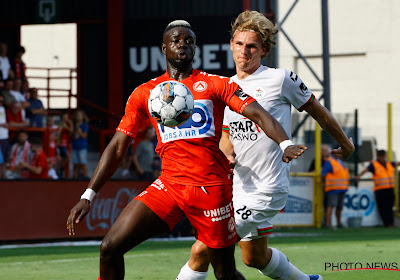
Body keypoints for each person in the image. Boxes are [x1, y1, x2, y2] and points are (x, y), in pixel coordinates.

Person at [66, 20, 306, 280]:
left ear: (195, 49)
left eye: (189, 41)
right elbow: (117, 147)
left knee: (224, 271)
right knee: (110, 247)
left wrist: (285, 143)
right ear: (164, 48)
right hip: (169, 186)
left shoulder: (216, 85)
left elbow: (259, 113)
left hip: (212, 190)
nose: (183, 44)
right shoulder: (144, 93)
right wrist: (88, 195)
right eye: (177, 40)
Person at [177, 11, 354, 280]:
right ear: (231, 45)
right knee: (254, 257)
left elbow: (318, 111)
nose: (243, 52)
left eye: (251, 46)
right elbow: (227, 134)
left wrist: (345, 143)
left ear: (264, 50)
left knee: (204, 248)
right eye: (239, 44)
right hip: (236, 188)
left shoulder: (281, 79)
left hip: (266, 189)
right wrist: (226, 152)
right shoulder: (226, 87)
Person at [355, 150, 400, 227]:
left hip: (389, 189)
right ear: (378, 156)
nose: (383, 157)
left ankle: (391, 223)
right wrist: (359, 176)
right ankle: (386, 223)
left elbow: (397, 163)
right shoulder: (374, 164)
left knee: (390, 206)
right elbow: (366, 170)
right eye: (381, 156)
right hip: (380, 190)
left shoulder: (389, 164)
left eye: (383, 155)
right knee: (383, 207)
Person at [321, 146, 350, 228]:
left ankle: (339, 223)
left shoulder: (340, 162)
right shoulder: (329, 162)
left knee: (339, 207)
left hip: (342, 188)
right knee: (330, 205)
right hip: (332, 189)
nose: (341, 154)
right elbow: (323, 174)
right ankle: (327, 223)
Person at [71, 109, 89, 179]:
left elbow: (84, 135)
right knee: (75, 164)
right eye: (77, 115)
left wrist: (79, 131)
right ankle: (75, 178)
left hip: (82, 147)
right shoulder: (73, 125)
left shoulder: (84, 125)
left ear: (83, 117)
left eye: (80, 115)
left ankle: (85, 177)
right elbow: (71, 135)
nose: (78, 117)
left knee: (83, 163)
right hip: (74, 147)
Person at [0, 94, 8, 178]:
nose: (0, 103)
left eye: (2, 101)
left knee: (3, 161)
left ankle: (3, 180)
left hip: (4, 137)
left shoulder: (3, 109)